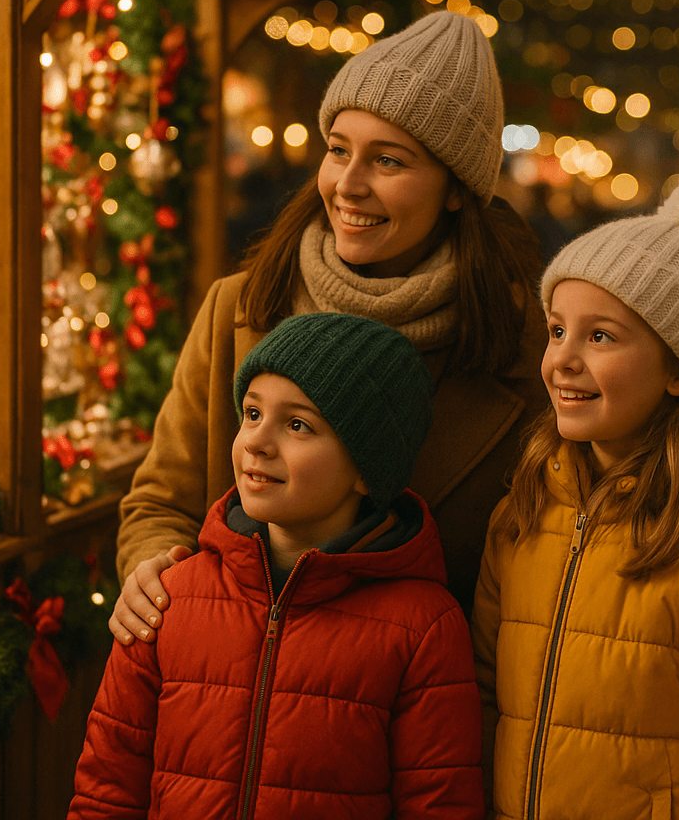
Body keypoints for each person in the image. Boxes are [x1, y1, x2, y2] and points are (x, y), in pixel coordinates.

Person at [111, 11, 548, 645]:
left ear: (456, 190)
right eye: (339, 150)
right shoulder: (239, 311)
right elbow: (160, 503)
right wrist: (153, 567)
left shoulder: (521, 353)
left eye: (389, 161)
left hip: (416, 713)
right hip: (232, 689)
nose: (348, 185)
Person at [473, 177, 679, 820]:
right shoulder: (523, 511)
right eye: (555, 331)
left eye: (600, 336)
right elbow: (485, 705)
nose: (562, 361)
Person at [69, 312, 484, 819]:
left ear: (365, 470)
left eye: (297, 425)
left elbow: (440, 806)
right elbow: (106, 789)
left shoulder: (424, 628)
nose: (257, 442)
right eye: (251, 414)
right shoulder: (169, 598)